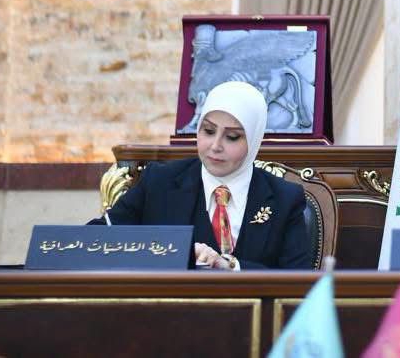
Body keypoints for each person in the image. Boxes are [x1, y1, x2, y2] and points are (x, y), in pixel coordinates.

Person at [92, 80, 312, 269]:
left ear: (253, 140)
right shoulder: (159, 182)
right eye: (208, 131)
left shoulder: (284, 198)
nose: (215, 146)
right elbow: (96, 240)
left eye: (232, 137)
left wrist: (231, 267)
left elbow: (298, 281)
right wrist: (173, 251)